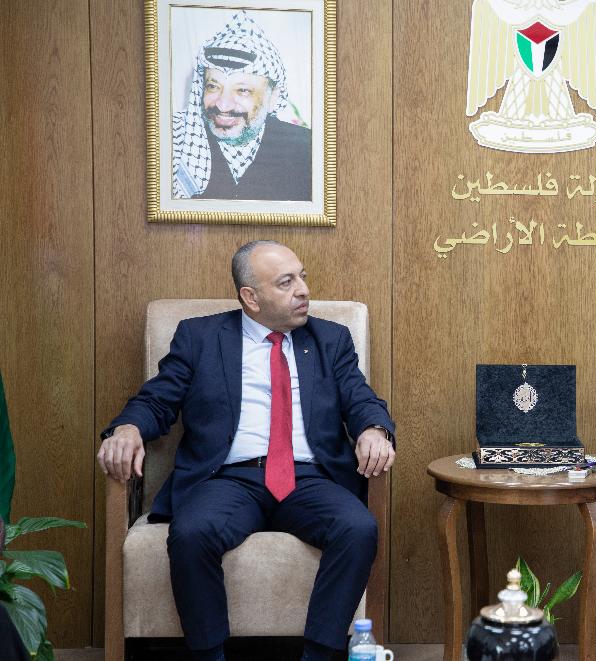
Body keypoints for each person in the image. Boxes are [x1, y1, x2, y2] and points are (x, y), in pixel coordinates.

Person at [97, 240, 394, 661]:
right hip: (229, 478)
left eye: (302, 277)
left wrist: (374, 429)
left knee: (358, 527)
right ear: (250, 297)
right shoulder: (199, 337)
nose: (303, 290)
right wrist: (127, 429)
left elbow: (360, 397)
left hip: (309, 478)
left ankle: (319, 654)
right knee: (191, 532)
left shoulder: (331, 339)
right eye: (286, 282)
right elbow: (157, 400)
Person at [172, 11, 312, 201]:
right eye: (213, 86)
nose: (223, 105)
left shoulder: (308, 150)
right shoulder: (175, 141)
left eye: (242, 90)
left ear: (273, 98)